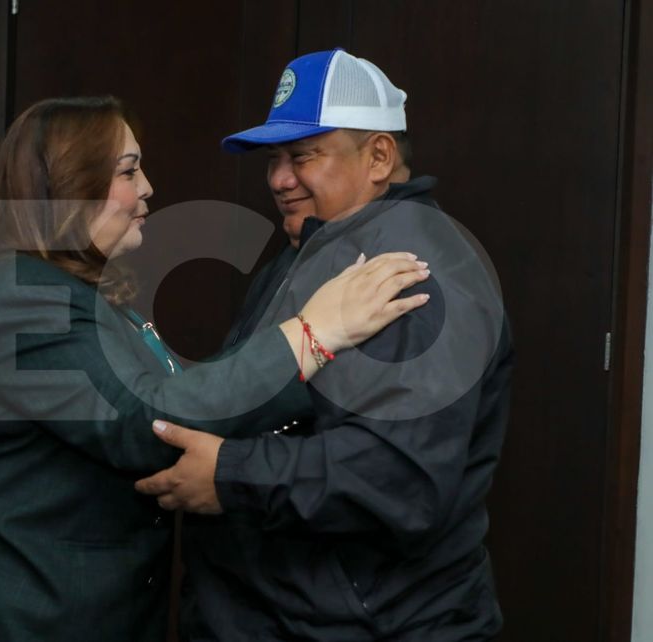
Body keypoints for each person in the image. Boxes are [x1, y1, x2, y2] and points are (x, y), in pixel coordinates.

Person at [0, 95, 430, 641]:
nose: (147, 187)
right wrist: (313, 334)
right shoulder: (15, 291)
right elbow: (148, 422)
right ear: (72, 181)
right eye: (128, 170)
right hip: (8, 618)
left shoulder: (84, 293)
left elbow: (181, 394)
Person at [136, 49, 513, 640]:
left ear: (379, 156)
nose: (280, 178)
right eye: (275, 159)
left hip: (370, 625)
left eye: (303, 156)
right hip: (283, 614)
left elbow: (401, 478)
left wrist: (231, 475)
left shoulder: (413, 271)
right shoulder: (314, 246)